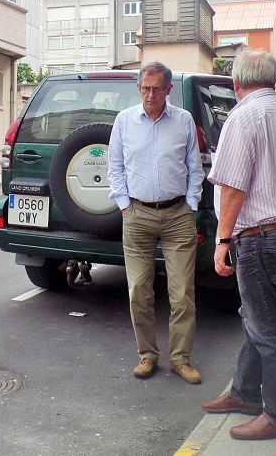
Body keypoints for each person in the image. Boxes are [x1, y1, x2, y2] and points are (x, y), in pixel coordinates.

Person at [200, 49, 276, 440]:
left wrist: (222, 241)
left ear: (236, 84)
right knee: (262, 316)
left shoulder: (243, 116)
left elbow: (233, 187)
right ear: (274, 81)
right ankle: (245, 392)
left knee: (271, 328)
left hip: (262, 236)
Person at [107, 61, 205, 384]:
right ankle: (147, 354)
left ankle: (181, 358)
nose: (151, 95)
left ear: (168, 89)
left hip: (178, 215)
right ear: (138, 88)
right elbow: (115, 167)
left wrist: (191, 204)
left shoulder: (183, 120)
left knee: (182, 293)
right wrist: (124, 205)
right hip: (137, 215)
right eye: (145, 88)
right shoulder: (123, 122)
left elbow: (195, 166)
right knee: (138, 290)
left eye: (157, 89)